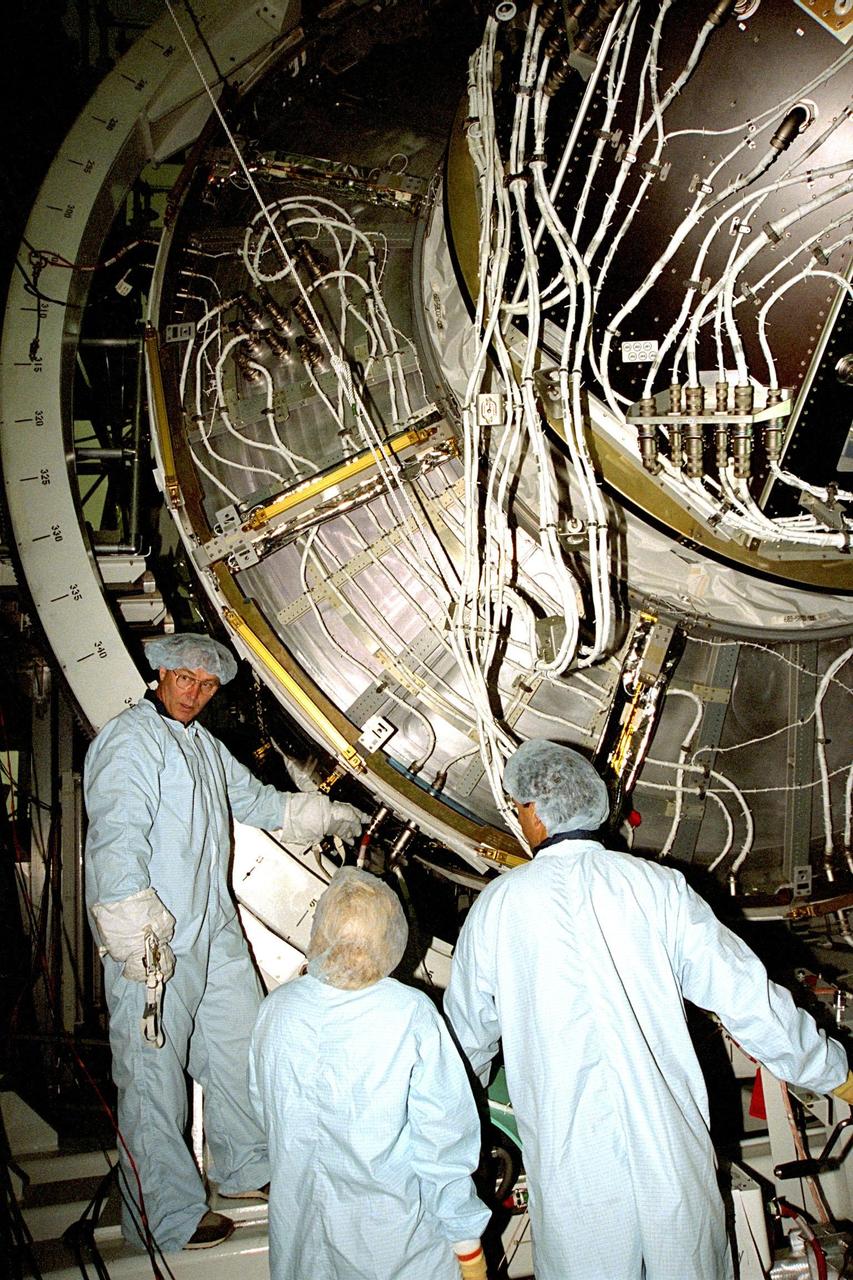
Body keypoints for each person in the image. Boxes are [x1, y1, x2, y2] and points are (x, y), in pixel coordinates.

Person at [444, 738, 853, 1280]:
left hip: (575, 1181)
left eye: (519, 809)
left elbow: (463, 1050)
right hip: (672, 1166)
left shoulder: (498, 909)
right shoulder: (658, 889)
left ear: (536, 813)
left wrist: (448, 1160)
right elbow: (749, 999)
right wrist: (837, 1076)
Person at [84, 632, 368, 1253]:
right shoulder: (131, 740)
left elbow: (259, 803)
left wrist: (327, 814)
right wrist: (132, 931)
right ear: (160, 673)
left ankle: (245, 1169)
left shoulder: (203, 747)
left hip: (212, 929)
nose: (195, 692)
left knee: (242, 1045)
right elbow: (116, 835)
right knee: (152, 1075)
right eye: (185, 679)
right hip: (154, 940)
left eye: (208, 684)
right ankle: (163, 1218)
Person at [248, 867, 492, 1280]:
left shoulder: (276, 1009)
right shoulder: (409, 1014)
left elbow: (264, 1110)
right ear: (391, 936)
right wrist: (468, 1248)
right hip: (393, 1251)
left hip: (300, 1245)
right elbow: (443, 1143)